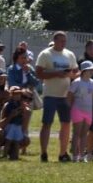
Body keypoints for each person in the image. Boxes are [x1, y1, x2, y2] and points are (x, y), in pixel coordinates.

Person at [36, 31, 79, 162]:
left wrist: (70, 74)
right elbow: (39, 73)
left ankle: (63, 153)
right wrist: (56, 74)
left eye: (65, 41)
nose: (63, 43)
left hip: (65, 95)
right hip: (50, 94)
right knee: (47, 123)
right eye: (61, 41)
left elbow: (76, 72)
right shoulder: (45, 54)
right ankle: (43, 152)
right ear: (54, 41)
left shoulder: (69, 54)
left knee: (66, 123)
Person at [67, 60, 93, 162]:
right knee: (76, 133)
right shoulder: (76, 82)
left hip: (88, 111)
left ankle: (82, 155)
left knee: (85, 133)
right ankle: (75, 155)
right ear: (84, 71)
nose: (91, 72)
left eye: (92, 70)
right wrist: (71, 107)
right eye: (89, 70)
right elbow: (70, 95)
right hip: (77, 109)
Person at [0, 86, 32, 160]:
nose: (18, 96)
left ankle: (15, 155)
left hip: (17, 125)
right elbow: (1, 123)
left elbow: (24, 126)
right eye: (15, 94)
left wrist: (23, 111)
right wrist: (12, 115)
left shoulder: (21, 106)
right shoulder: (8, 105)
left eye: (19, 95)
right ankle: (3, 154)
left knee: (17, 141)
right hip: (10, 125)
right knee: (8, 140)